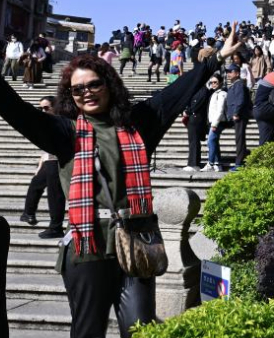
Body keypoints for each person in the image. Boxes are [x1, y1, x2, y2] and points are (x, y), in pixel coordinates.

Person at [0, 23, 241, 338]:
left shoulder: (140, 123)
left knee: (139, 328)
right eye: (77, 89)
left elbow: (176, 93)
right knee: (88, 331)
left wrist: (216, 59)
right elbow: (17, 111)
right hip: (88, 245)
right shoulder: (65, 132)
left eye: (94, 84)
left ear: (109, 84)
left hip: (137, 240)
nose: (86, 92)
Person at [19, 96, 66, 239]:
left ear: (55, 107)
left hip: (58, 161)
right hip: (49, 160)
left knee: (55, 194)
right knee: (36, 183)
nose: (43, 111)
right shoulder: (48, 122)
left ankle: (56, 227)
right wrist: (40, 165)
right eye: (40, 108)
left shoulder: (61, 120)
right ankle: (28, 213)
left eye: (46, 108)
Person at [224, 64, 252, 171]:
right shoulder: (235, 85)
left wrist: (236, 113)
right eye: (227, 72)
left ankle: (239, 163)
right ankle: (245, 156)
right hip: (236, 115)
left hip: (239, 116)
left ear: (237, 73)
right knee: (239, 139)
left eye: (230, 71)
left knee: (239, 139)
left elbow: (240, 100)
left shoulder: (239, 84)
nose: (228, 74)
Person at [183, 78, 212, 172]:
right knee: (193, 140)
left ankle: (193, 163)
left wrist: (188, 111)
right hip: (195, 118)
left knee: (194, 141)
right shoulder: (199, 90)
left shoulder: (202, 90)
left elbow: (196, 104)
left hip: (196, 118)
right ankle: (195, 162)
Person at [202, 74, 227, 172]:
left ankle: (210, 163)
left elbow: (220, 110)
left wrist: (214, 124)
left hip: (217, 122)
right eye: (211, 82)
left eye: (215, 82)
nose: (213, 84)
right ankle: (218, 163)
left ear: (220, 82)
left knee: (210, 141)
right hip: (212, 122)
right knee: (214, 142)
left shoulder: (222, 94)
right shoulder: (214, 93)